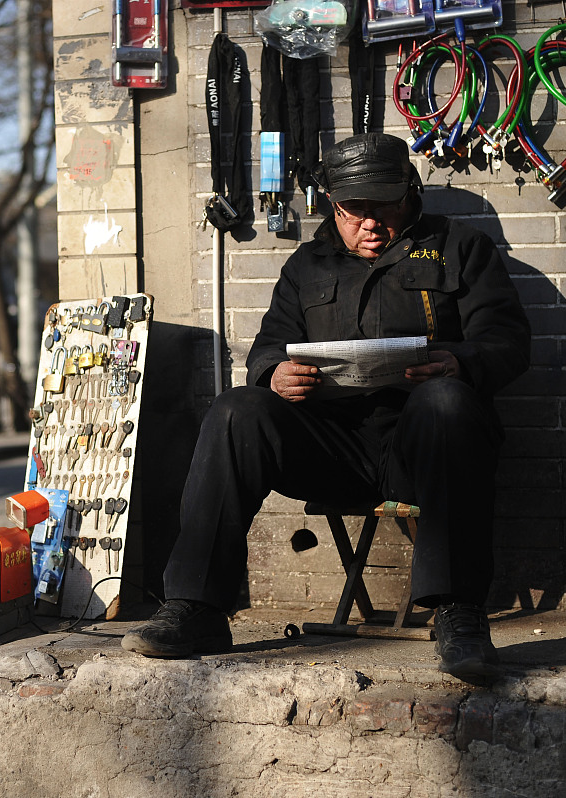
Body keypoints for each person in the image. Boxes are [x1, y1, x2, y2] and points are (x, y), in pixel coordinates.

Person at [121, 133, 531, 681]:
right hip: (333, 449)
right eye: (354, 210)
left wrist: (461, 362)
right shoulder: (306, 267)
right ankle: (196, 608)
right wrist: (274, 374)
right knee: (235, 410)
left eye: (384, 207)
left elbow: (509, 343)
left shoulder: (461, 248)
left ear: (410, 194)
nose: (370, 223)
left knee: (447, 401)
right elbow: (269, 346)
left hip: (423, 447)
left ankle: (458, 614)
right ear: (332, 206)